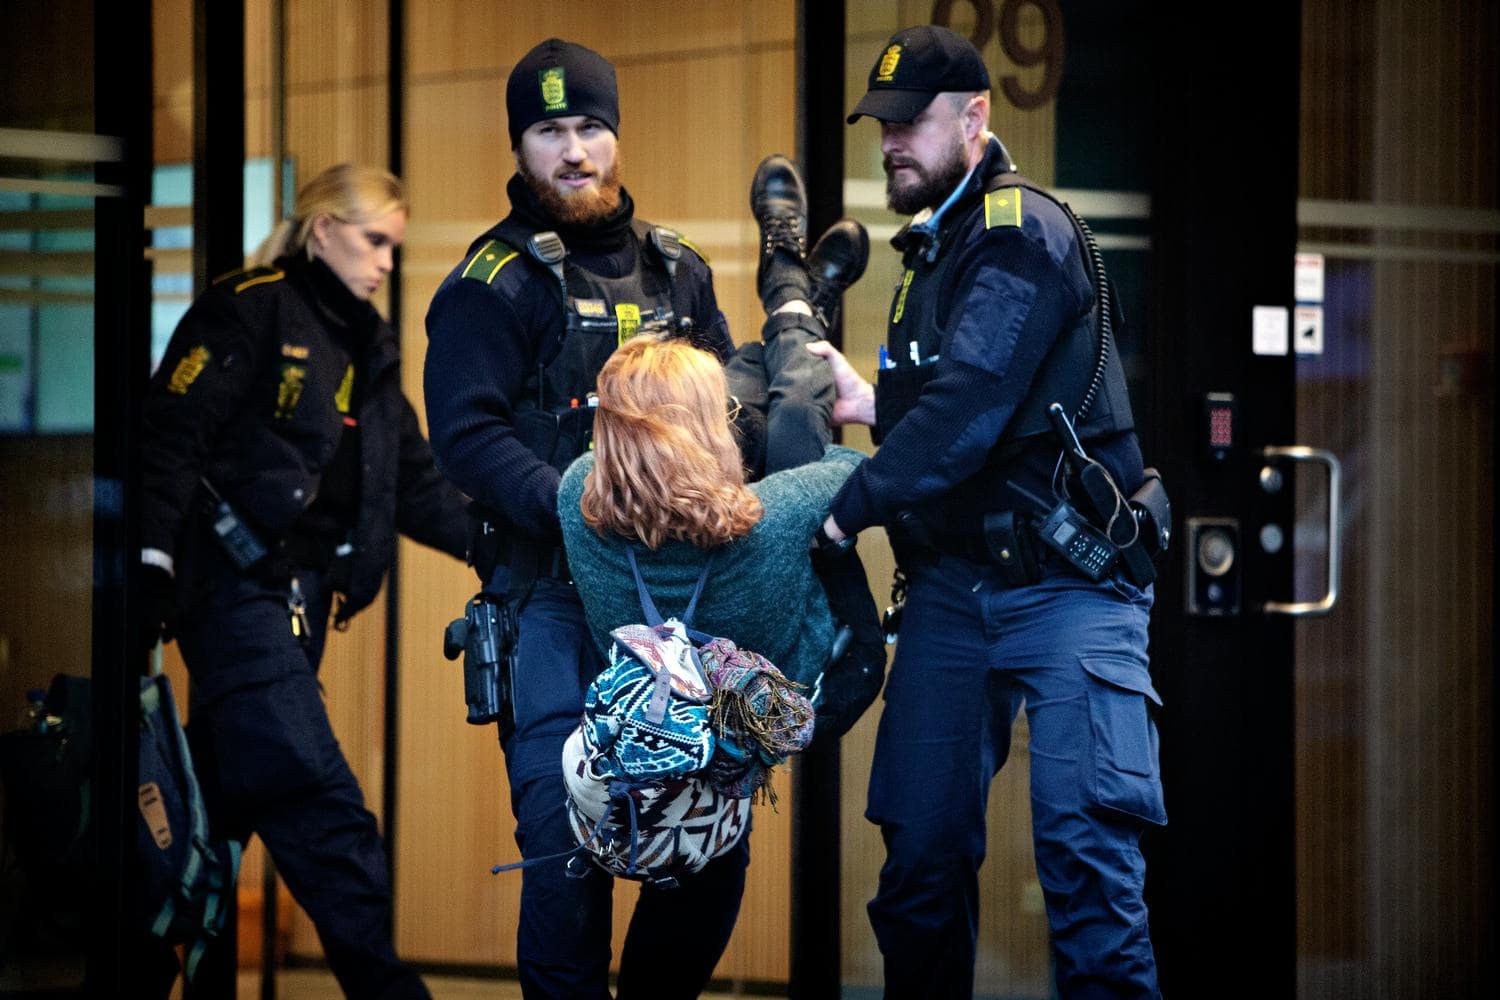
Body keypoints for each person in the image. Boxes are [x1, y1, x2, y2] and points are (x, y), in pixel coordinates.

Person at [804, 24, 1168, 1000]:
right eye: (881, 125)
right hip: (954, 589)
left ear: (974, 118)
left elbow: (968, 411)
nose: (891, 143)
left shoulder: (1015, 230)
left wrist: (844, 514)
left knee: (1086, 874)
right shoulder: (936, 246)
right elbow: (988, 406)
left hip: (1071, 587)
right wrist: (873, 407)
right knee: (918, 864)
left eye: (911, 122)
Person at [140, 163, 468, 998]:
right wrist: (151, 560)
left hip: (302, 609)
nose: (387, 261)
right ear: (322, 229)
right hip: (234, 596)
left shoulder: (370, 345)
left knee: (209, 820)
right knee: (323, 806)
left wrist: (521, 545)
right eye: (374, 240)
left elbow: (418, 488)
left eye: (395, 245)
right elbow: (169, 437)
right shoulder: (250, 308)